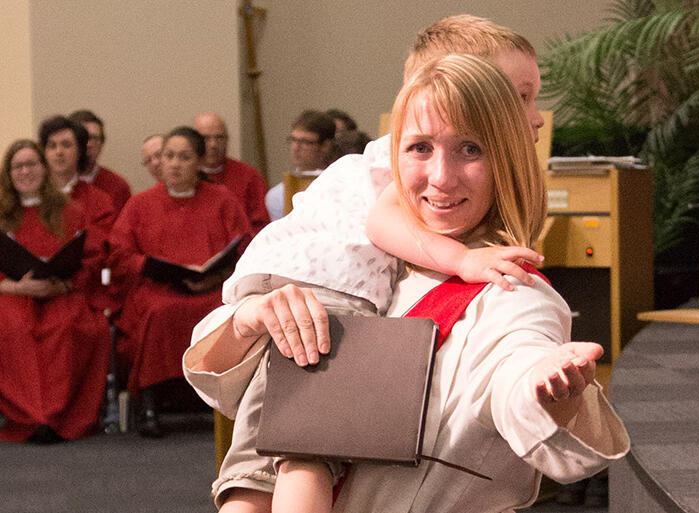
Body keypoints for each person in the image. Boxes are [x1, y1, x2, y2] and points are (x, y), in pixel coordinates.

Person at [184, 21, 629, 513]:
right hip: (290, 307)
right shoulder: (378, 247)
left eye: (470, 148)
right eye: (420, 146)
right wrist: (249, 318)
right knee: (267, 471)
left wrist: (540, 384)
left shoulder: (511, 290)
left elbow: (515, 370)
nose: (440, 175)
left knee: (295, 460)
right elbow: (217, 373)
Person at [108, 126, 249, 437]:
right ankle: (150, 403)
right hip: (158, 290)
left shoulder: (222, 200)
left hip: (213, 288)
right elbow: (119, 253)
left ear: (199, 162)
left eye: (184, 157)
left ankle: (220, 399)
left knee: (220, 313)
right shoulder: (141, 204)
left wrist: (215, 275)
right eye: (167, 156)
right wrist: (150, 266)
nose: (173, 163)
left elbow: (243, 247)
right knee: (160, 313)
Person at [0, 139, 111, 443]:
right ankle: (30, 418)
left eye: (31, 164)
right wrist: (17, 286)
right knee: (15, 328)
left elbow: (89, 259)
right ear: (8, 174)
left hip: (61, 291)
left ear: (44, 169)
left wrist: (64, 283)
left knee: (69, 325)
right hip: (10, 293)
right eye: (17, 166)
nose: (25, 171)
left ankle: (60, 418)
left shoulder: (70, 211)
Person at [39, 115, 117, 241]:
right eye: (52, 146)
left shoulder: (99, 201)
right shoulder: (31, 197)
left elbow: (100, 251)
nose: (59, 152)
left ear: (80, 151)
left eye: (66, 145)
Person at [193, 112, 270, 237]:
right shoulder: (185, 177)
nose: (213, 145)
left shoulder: (248, 175)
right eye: (206, 138)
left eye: (219, 138)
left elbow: (261, 226)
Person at [264, 110, 337, 221]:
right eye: (293, 140)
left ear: (325, 145)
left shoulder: (339, 182)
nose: (295, 148)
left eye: (305, 142)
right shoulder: (278, 196)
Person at [69, 109, 132, 212]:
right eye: (82, 138)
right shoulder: (52, 186)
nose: (88, 144)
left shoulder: (118, 186)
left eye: (94, 138)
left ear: (101, 144)